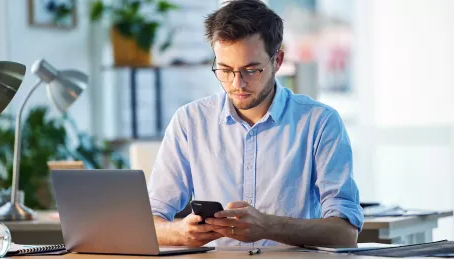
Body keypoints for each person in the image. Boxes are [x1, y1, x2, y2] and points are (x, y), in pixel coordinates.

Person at [148, 0, 364, 247]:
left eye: (251, 70)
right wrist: (181, 232)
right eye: (225, 70)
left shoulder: (320, 123)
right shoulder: (189, 122)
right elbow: (149, 223)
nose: (237, 84)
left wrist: (267, 226)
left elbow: (345, 234)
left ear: (278, 61)